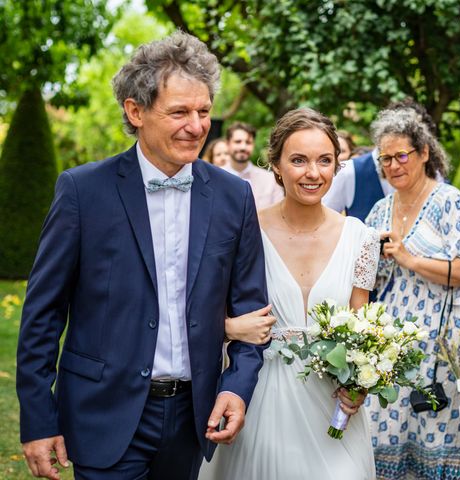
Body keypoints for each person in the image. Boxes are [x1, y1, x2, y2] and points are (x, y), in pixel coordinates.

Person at [16, 31, 268, 480]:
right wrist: (38, 419)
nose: (197, 125)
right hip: (102, 414)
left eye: (204, 111)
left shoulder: (235, 197)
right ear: (136, 111)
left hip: (194, 420)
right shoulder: (82, 191)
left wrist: (238, 387)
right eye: (179, 112)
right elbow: (42, 314)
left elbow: (253, 311)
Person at [199, 107, 380, 480]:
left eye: (325, 161)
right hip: (259, 393)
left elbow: (364, 331)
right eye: (299, 160)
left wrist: (362, 384)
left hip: (331, 405)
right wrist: (229, 328)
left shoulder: (361, 238)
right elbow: (200, 310)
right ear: (276, 166)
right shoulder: (245, 228)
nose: (313, 173)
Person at [364, 107, 460, 479]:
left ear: (423, 153)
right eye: (385, 158)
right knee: (384, 429)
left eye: (401, 155)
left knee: (439, 433)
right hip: (392, 347)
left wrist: (409, 257)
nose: (393, 165)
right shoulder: (380, 209)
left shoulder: (452, 203)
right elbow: (368, 277)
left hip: (447, 344)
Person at [223, 121, 284, 209]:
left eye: (248, 142)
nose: (243, 147)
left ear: (253, 145)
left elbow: (279, 212)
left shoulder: (270, 180)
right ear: (228, 144)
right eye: (238, 142)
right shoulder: (214, 177)